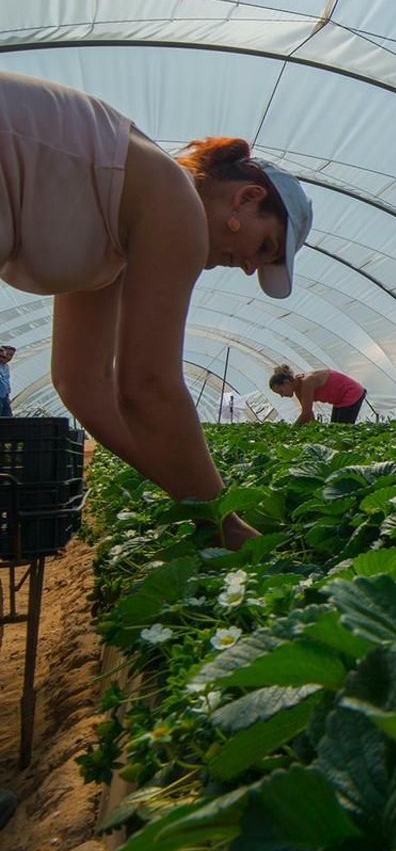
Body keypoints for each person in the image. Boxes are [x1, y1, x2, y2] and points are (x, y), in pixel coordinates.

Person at [1, 71, 312, 550]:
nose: (250, 267)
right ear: (247, 198)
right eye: (263, 246)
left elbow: (81, 381)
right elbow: (149, 387)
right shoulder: (176, 202)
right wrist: (223, 521)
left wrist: (194, 497)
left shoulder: (121, 220)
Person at [268, 365, 366, 425]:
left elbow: (305, 414)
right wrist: (314, 431)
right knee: (336, 429)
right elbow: (309, 415)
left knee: (341, 431)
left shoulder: (307, 383)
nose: (281, 396)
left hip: (351, 393)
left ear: (286, 382)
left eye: (280, 391)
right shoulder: (298, 389)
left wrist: (290, 432)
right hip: (339, 400)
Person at [0, 345, 13, 417]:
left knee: (7, 417)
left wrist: (7, 393)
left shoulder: (5, 367)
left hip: (4, 395)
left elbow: (6, 381)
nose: (9, 357)